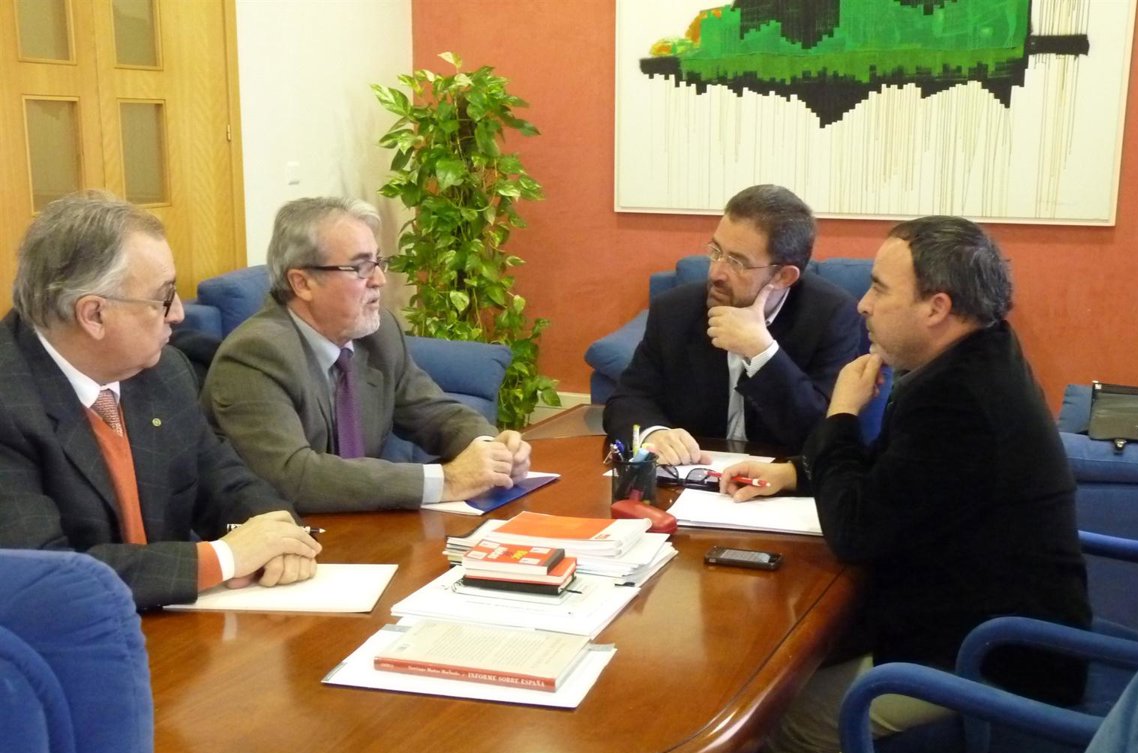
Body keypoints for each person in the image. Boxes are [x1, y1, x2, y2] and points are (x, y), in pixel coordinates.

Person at [720, 215, 1091, 753]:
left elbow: (855, 531)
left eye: (879, 289)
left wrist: (840, 415)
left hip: (995, 657)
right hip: (984, 621)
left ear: (937, 307)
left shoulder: (958, 400)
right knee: (788, 671)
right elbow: (903, 476)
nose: (863, 304)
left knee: (783, 724)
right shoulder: (979, 354)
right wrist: (795, 472)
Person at [0, 191, 321, 609]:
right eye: (163, 296)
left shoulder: (162, 370)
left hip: (172, 626)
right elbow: (42, 577)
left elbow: (223, 481)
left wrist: (279, 536)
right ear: (93, 314)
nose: (178, 314)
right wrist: (224, 558)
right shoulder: (10, 403)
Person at [202, 197, 531, 513]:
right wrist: (448, 480)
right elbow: (293, 476)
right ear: (302, 283)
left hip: (364, 525)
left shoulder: (378, 333)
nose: (380, 280)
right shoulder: (255, 356)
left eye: (378, 262)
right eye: (360, 267)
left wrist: (492, 449)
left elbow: (432, 412)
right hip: (285, 533)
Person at [603, 184, 862, 465]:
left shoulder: (832, 317)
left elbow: (823, 434)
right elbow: (627, 399)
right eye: (716, 251)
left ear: (783, 276)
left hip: (781, 481)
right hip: (692, 474)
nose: (716, 273)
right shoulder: (675, 310)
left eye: (737, 262)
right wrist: (654, 434)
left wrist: (763, 353)